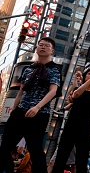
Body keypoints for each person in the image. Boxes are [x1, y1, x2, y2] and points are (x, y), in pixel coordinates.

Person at [0, 37, 61, 173]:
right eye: (40, 45)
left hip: (39, 114)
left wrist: (37, 107)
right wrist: (14, 109)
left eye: (46, 45)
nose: (42, 47)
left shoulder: (54, 70)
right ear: (36, 48)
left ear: (52, 50)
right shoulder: (28, 69)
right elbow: (21, 91)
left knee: (35, 150)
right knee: (5, 146)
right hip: (20, 112)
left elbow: (53, 91)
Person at [52, 69, 90, 173]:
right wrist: (89, 81)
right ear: (85, 77)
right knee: (62, 155)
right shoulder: (79, 89)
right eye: (89, 74)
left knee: (82, 158)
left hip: (87, 128)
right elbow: (75, 95)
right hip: (71, 125)